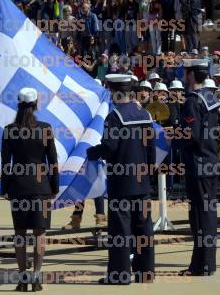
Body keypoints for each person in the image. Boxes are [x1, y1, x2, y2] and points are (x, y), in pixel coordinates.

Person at [87, 74, 155, 285]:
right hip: (141, 181)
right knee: (143, 227)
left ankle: (119, 274)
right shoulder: (144, 114)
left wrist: (93, 152)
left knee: (120, 230)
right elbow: (151, 149)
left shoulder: (114, 117)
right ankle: (145, 272)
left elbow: (110, 147)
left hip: (121, 182)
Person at [0, 86, 59, 292]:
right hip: (41, 186)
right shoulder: (45, 128)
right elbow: (52, 161)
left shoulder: (9, 130)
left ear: (18, 104)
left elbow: (5, 163)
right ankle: (35, 275)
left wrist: (4, 188)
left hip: (18, 185)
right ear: (35, 105)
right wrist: (54, 186)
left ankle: (22, 276)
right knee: (40, 233)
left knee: (19, 233)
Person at [178, 59, 220, 276]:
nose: (184, 77)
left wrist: (172, 137)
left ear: (192, 74)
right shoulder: (210, 98)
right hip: (210, 160)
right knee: (207, 214)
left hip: (198, 163)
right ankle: (204, 263)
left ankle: (202, 265)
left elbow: (190, 136)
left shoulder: (192, 101)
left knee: (200, 216)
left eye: (186, 73)